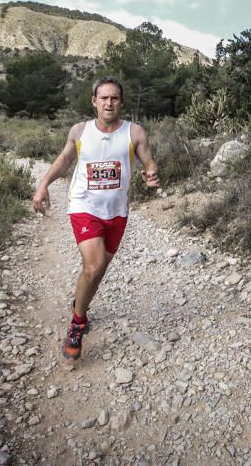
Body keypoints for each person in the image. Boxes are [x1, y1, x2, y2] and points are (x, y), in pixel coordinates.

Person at [32, 76, 160, 360]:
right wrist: (43, 185)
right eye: (104, 97)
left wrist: (151, 172)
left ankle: (80, 303)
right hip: (84, 206)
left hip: (117, 212)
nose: (109, 102)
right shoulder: (80, 131)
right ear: (94, 101)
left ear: (121, 102)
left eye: (114, 98)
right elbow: (65, 159)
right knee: (95, 265)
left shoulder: (134, 132)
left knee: (97, 271)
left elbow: (148, 159)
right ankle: (77, 324)